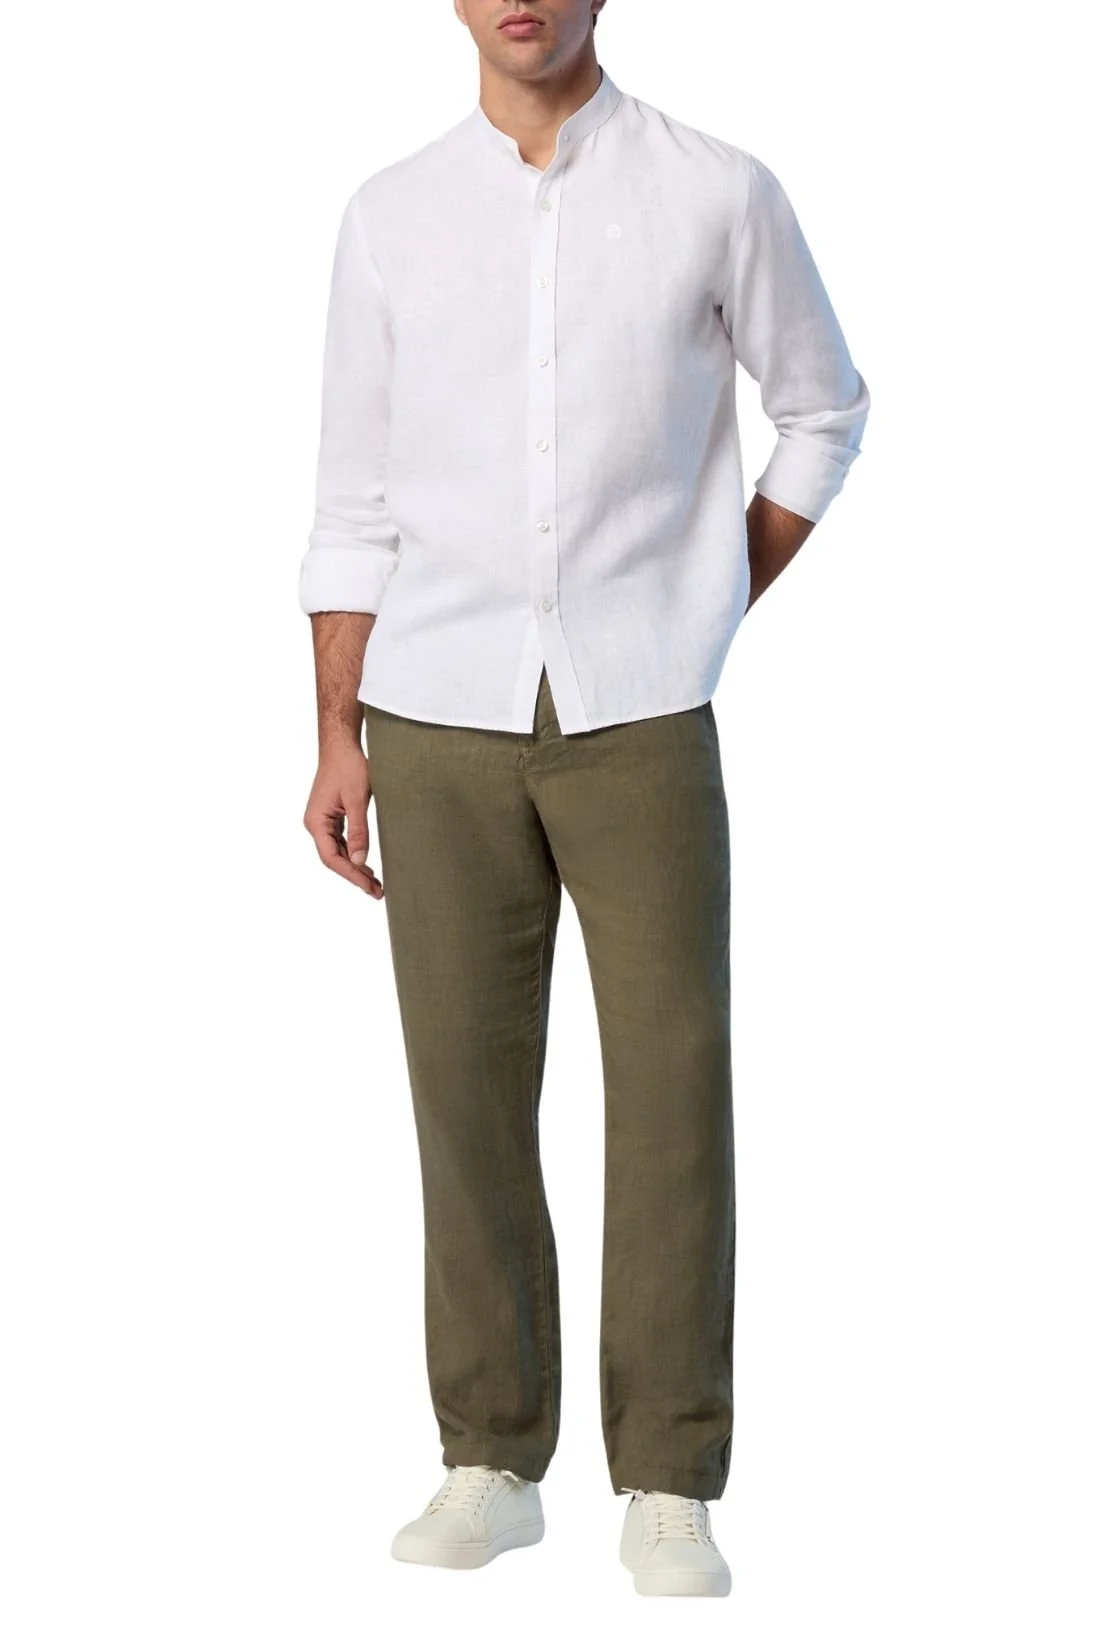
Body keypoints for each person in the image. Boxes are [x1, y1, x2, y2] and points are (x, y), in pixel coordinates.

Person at [299, 0, 869, 1599]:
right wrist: (337, 732)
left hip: (640, 713)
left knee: (674, 1083)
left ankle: (670, 1475)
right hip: (435, 711)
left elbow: (825, 408)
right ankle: (491, 1452)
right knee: (464, 1090)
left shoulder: (717, 190)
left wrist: (713, 598)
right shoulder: (390, 215)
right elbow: (351, 498)